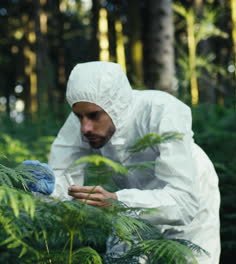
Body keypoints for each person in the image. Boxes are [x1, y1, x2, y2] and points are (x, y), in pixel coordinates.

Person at [24, 61, 220, 264]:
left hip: (191, 190)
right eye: (78, 116)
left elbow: (183, 204)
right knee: (121, 260)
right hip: (125, 200)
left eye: (93, 116)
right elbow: (64, 180)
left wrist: (118, 202)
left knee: (192, 259)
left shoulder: (161, 110)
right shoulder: (83, 121)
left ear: (115, 106)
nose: (84, 128)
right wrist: (47, 186)